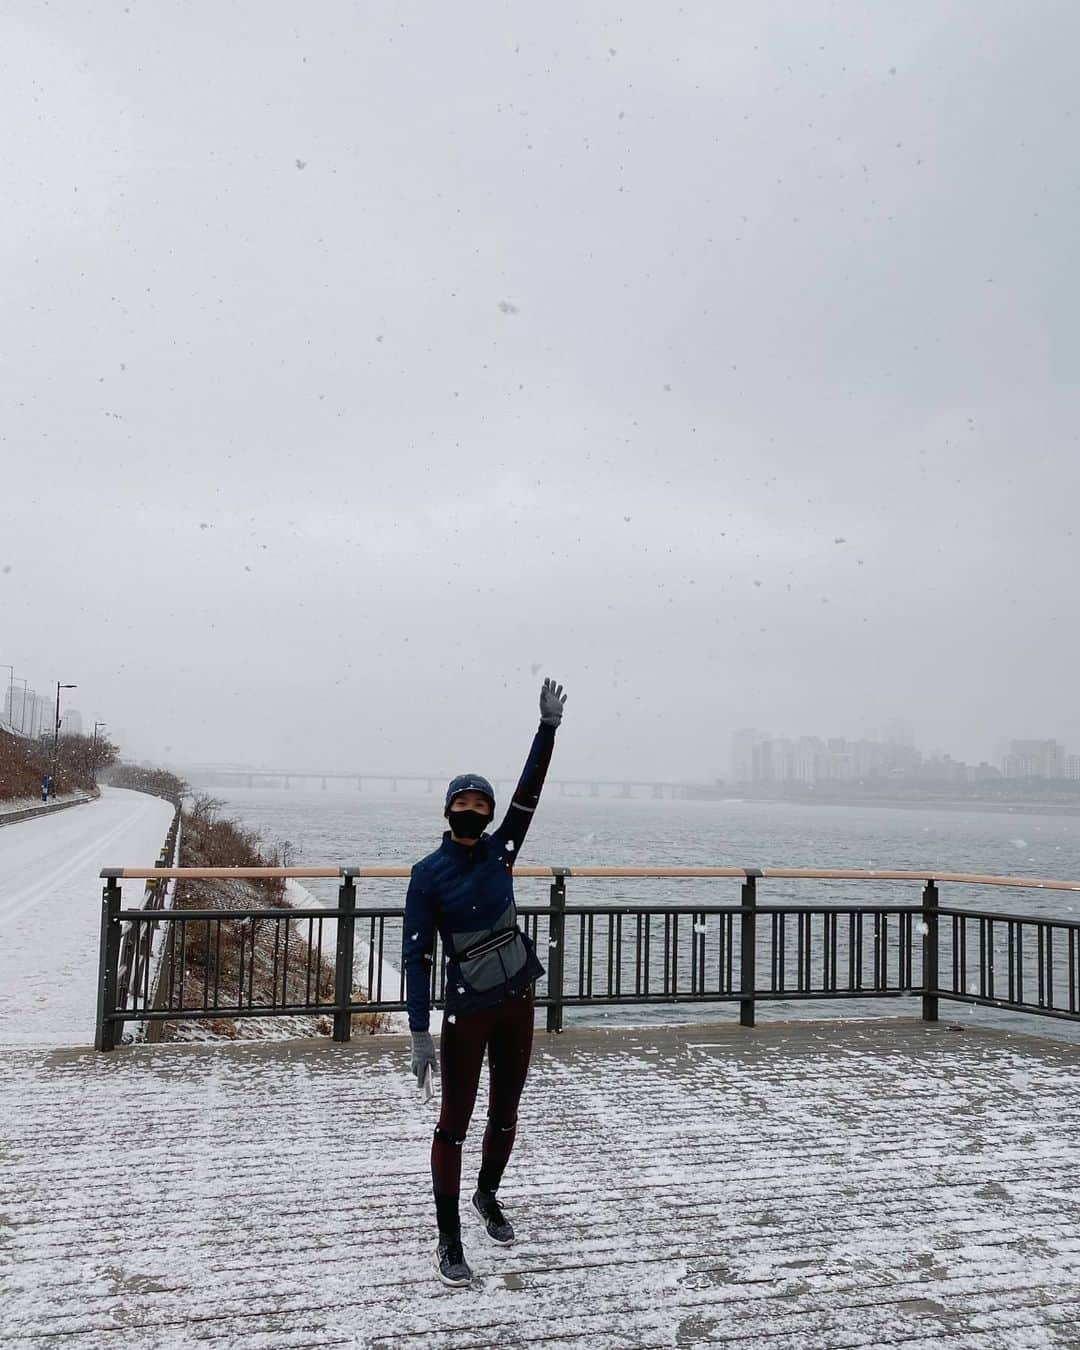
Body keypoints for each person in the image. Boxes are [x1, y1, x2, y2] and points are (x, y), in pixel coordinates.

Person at [403, 677, 567, 1286]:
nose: (471, 811)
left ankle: (487, 1197)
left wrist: (546, 730)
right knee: (454, 1121)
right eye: (462, 803)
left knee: (506, 1112)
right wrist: (419, 1034)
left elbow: (530, 793)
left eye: (481, 805)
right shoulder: (427, 875)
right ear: (447, 810)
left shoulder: (502, 853)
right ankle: (448, 1241)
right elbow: (415, 957)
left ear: (490, 815)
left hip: (517, 1003)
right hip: (466, 1013)